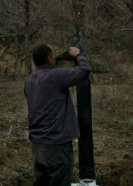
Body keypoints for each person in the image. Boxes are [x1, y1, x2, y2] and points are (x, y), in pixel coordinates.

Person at [24, 44, 92, 186]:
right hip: (57, 146)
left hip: (38, 145)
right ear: (49, 58)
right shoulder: (55, 76)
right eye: (52, 55)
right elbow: (85, 70)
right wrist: (78, 54)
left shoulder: (29, 80)